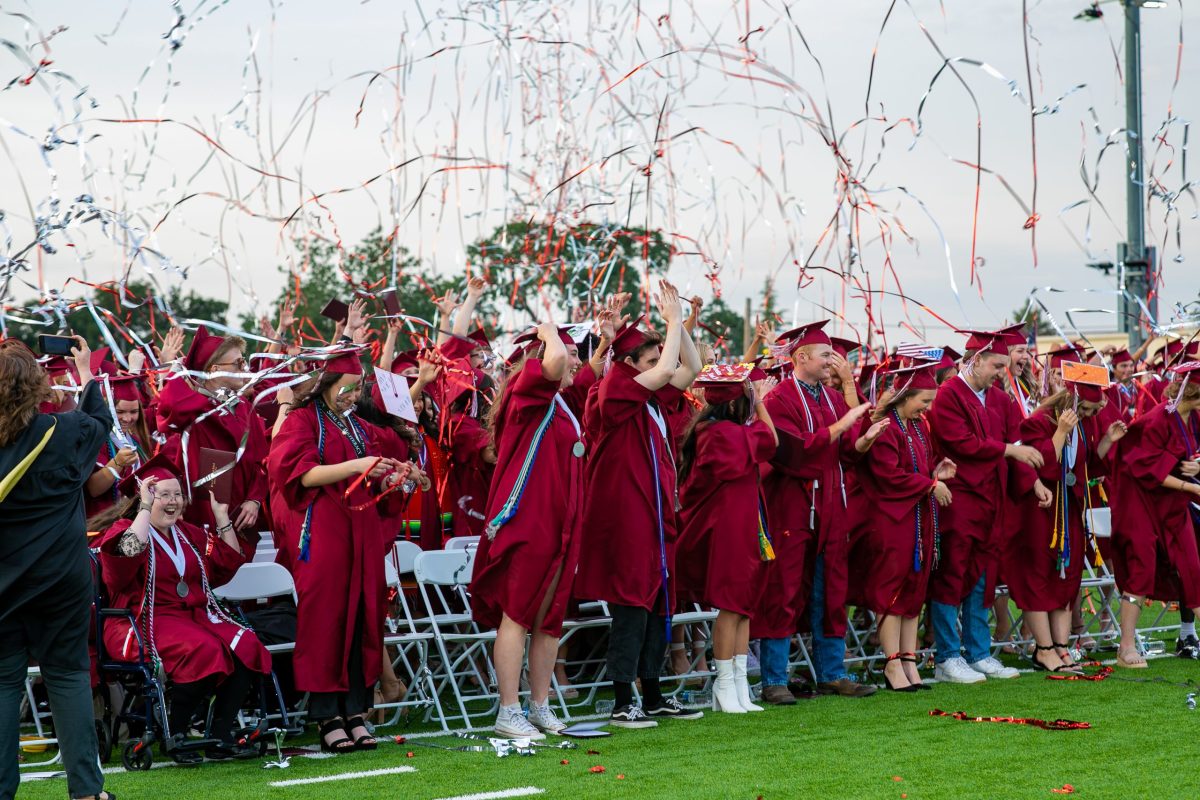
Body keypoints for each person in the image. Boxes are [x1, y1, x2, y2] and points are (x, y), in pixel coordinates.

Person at [574, 281, 704, 728]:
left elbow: (691, 367)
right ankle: (621, 699)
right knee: (631, 607)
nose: (659, 367)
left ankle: (653, 693)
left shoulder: (650, 397)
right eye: (648, 361)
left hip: (656, 514)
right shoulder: (613, 389)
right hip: (626, 516)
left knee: (659, 604)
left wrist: (679, 324)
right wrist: (670, 323)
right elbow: (668, 368)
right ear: (629, 365)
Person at [268, 348, 411, 752]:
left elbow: (370, 472)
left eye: (358, 388)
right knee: (327, 622)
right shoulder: (301, 421)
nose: (353, 396)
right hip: (324, 533)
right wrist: (356, 466)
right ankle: (327, 717)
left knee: (364, 618)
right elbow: (296, 473)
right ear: (326, 384)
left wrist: (389, 478)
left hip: (360, 533)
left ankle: (355, 713)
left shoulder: (356, 427)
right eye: (347, 388)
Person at [93, 455, 271, 763]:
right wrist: (146, 510)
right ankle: (173, 732)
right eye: (163, 494)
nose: (173, 501)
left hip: (194, 616)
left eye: (177, 494)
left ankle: (220, 733)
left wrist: (221, 517)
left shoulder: (187, 534)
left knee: (247, 645)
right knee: (203, 648)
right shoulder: (126, 529)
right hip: (141, 620)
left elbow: (226, 564)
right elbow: (119, 569)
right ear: (145, 497)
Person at [0, 337, 112, 800]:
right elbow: (101, 422)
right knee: (66, 674)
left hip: (4, 578)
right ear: (38, 385)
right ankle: (87, 791)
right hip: (61, 579)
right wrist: (85, 372)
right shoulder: (63, 432)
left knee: (3, 681)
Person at [470, 322, 593, 739]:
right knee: (518, 616)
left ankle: (539, 705)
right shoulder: (528, 394)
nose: (576, 359)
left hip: (560, 523)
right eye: (572, 351)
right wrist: (548, 331)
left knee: (548, 620)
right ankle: (508, 710)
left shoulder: (560, 405)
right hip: (528, 520)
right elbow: (555, 360)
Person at [752, 321, 883, 704]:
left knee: (832, 590)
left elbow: (844, 453)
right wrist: (844, 424)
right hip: (793, 507)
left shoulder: (827, 398)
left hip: (831, 505)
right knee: (785, 589)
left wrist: (862, 441)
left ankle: (832, 673)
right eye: (826, 354)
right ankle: (774, 678)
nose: (834, 361)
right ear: (802, 357)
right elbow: (791, 452)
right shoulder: (778, 400)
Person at [926, 330, 1049, 684]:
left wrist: (1034, 482)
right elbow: (961, 443)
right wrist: (1010, 451)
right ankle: (948, 657)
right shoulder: (948, 395)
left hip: (993, 500)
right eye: (996, 365)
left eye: (1004, 366)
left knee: (983, 577)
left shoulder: (1001, 400)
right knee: (952, 575)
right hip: (960, 498)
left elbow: (1019, 445)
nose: (1001, 373)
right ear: (975, 360)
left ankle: (978, 652)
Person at [675, 364, 777, 713]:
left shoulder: (722, 431)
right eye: (747, 399)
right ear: (734, 404)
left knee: (743, 608)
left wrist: (756, 398)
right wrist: (762, 402)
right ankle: (723, 684)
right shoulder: (719, 434)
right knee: (731, 606)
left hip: (744, 522)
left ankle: (739, 684)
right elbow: (770, 439)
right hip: (729, 528)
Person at [1006, 381, 1125, 673]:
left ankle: (1062, 648)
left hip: (1070, 510)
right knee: (1037, 575)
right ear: (1069, 403)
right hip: (1039, 511)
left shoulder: (1082, 426)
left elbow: (1084, 467)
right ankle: (1043, 649)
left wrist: (1107, 440)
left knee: (1067, 577)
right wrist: (1060, 431)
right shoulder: (1036, 423)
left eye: (1092, 411)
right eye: (1083, 409)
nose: (1087, 416)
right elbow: (1043, 464)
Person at [855, 364, 955, 691]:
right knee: (892, 590)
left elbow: (919, 468)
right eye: (924, 400)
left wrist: (936, 472)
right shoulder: (886, 427)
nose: (928, 407)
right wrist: (929, 485)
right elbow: (888, 474)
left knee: (915, 588)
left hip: (918, 518)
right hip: (892, 520)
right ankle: (891, 664)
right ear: (905, 395)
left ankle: (909, 661)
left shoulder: (918, 426)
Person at [1110, 362, 1200, 668]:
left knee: (1192, 564)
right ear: (1192, 391)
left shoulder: (1195, 416)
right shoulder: (1159, 419)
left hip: (1172, 499)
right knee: (1142, 566)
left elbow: (1190, 454)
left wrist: (1196, 467)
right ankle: (1125, 648)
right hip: (1139, 497)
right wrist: (1193, 487)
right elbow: (1148, 468)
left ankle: (1190, 632)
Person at [157, 327, 270, 552]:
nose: (245, 368)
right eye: (238, 363)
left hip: (243, 516)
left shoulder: (244, 407)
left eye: (244, 361)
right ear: (215, 370)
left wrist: (255, 500)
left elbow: (261, 462)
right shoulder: (195, 411)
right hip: (204, 516)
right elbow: (171, 406)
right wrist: (175, 369)